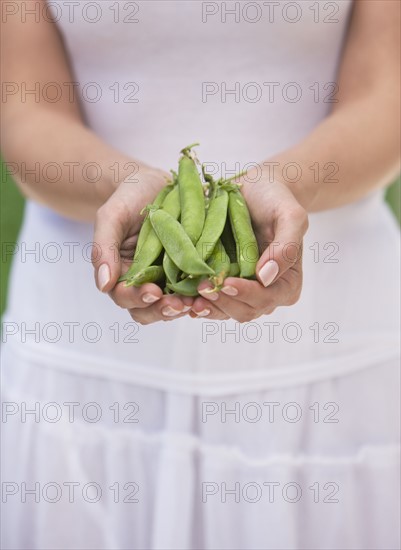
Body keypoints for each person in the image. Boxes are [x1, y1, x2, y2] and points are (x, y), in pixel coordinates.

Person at [1, 1, 400, 548]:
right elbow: (26, 110)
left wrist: (286, 182)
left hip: (331, 352)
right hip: (81, 358)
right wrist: (117, 184)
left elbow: (387, 98)